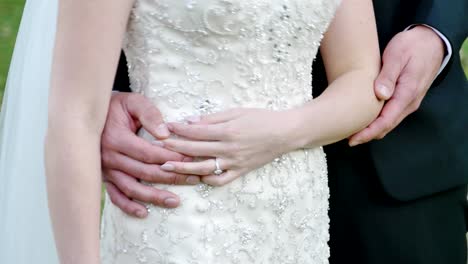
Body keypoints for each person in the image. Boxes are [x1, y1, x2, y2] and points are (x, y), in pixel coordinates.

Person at [103, 0, 468, 264]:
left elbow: (360, 73)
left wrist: (434, 32)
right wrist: (100, 98)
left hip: (391, 150)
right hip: (181, 186)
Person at [43, 0, 385, 263]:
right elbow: (76, 115)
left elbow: (361, 77)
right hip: (175, 215)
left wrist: (286, 131)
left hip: (293, 217)